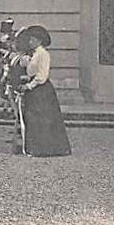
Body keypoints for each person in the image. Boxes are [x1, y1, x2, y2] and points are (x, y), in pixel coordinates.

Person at [14, 25, 72, 158]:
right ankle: (35, 147)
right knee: (34, 118)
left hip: (42, 90)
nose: (30, 42)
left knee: (43, 118)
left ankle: (47, 148)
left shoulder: (43, 54)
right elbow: (32, 71)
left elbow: (42, 75)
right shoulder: (34, 54)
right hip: (34, 89)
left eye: (32, 40)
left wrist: (29, 86)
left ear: (39, 41)